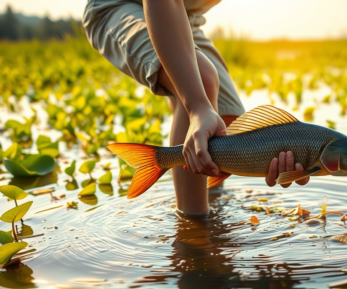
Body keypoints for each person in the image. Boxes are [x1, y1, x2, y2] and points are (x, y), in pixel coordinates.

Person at [83, 0, 309, 215]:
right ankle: (193, 238)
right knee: (201, 81)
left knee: (227, 125)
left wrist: (289, 162)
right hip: (124, 6)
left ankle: (213, 211)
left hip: (189, 19)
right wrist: (197, 106)